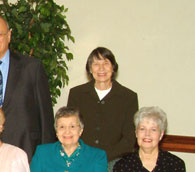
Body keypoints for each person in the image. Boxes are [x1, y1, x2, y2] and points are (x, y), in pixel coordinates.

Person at [67, 47, 139, 168]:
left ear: (113, 67)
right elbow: (70, 129)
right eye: (96, 64)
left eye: (106, 63)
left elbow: (129, 139)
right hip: (80, 159)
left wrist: (103, 157)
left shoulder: (128, 97)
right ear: (90, 69)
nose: (101, 68)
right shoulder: (77, 94)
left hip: (114, 161)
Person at [0, 16, 56, 161]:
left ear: (9, 35)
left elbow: (46, 118)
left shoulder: (31, 68)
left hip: (26, 151)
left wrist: (48, 159)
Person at [30, 106, 107, 172]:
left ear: (80, 130)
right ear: (56, 131)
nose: (67, 132)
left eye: (72, 126)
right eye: (62, 127)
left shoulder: (97, 156)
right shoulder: (42, 153)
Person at [113, 106, 186, 172]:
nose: (147, 134)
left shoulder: (175, 164)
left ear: (161, 134)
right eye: (142, 129)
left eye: (153, 130)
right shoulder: (122, 165)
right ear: (136, 133)